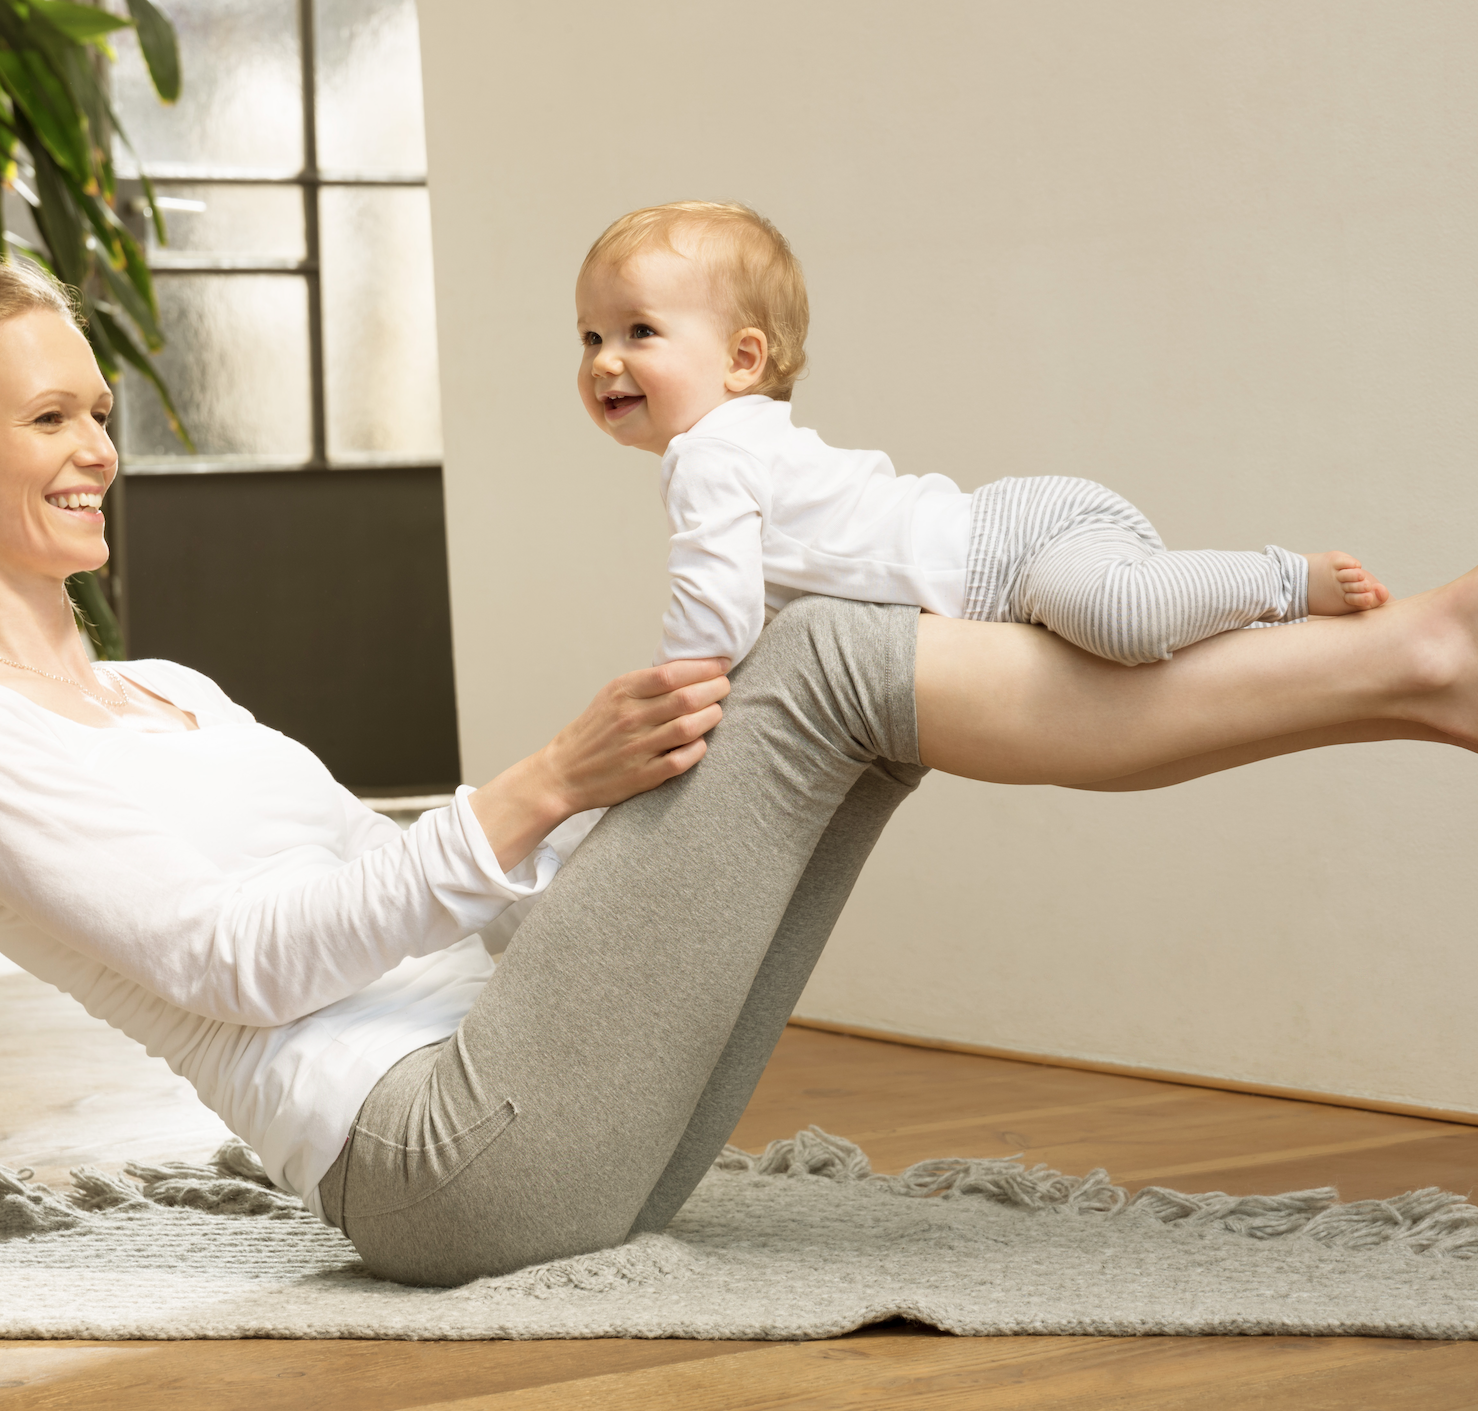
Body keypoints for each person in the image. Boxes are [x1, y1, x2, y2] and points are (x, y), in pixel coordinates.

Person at [0, 262, 1473, 1290]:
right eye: (48, 419)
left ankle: (1410, 684)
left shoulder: (169, 690)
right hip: (440, 1165)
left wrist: (620, 819)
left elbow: (442, 902)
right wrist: (546, 783)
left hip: (551, 1097)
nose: (98, 452)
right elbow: (237, 964)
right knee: (830, 650)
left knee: (840, 663)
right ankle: (1413, 664)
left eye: (98, 412)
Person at [576, 201, 1390, 670]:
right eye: (590, 337)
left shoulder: (709, 455)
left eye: (639, 331)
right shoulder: (745, 442)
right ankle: (1257, 620)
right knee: (1132, 653)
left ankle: (1284, 579)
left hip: (1014, 550)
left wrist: (664, 697)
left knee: (1123, 621)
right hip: (1018, 543)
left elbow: (714, 623)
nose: (605, 361)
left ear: (743, 359)